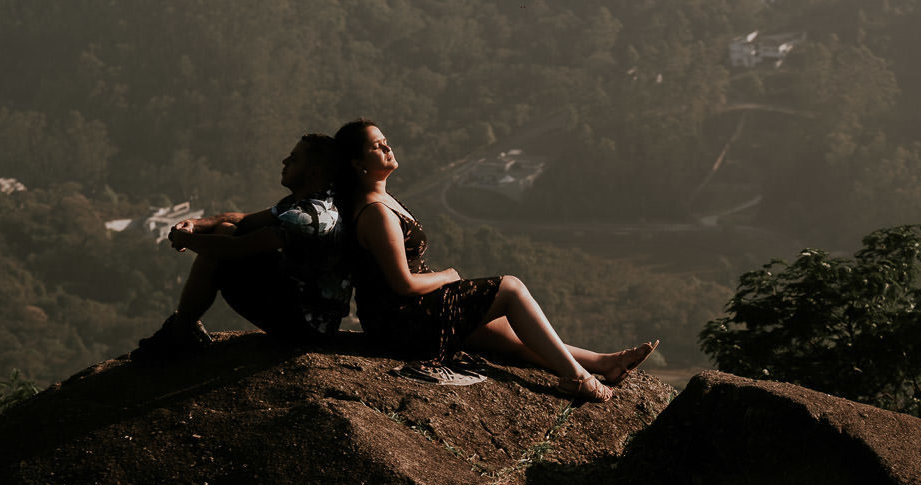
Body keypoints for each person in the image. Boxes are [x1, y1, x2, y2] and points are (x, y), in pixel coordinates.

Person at [332, 118, 657, 401]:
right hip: (401, 322)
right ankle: (577, 378)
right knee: (511, 289)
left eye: (386, 142)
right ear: (356, 163)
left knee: (509, 335)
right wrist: (448, 276)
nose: (388, 149)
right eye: (377, 146)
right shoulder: (376, 213)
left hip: (414, 312)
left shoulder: (382, 199)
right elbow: (403, 284)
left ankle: (603, 363)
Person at [132, 133, 350, 363]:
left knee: (221, 249)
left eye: (294, 159)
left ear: (314, 172)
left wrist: (186, 240)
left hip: (306, 326)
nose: (284, 162)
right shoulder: (310, 202)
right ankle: (182, 329)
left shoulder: (310, 216)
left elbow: (239, 248)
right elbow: (243, 219)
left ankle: (180, 332)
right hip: (308, 310)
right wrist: (195, 224)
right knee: (225, 229)